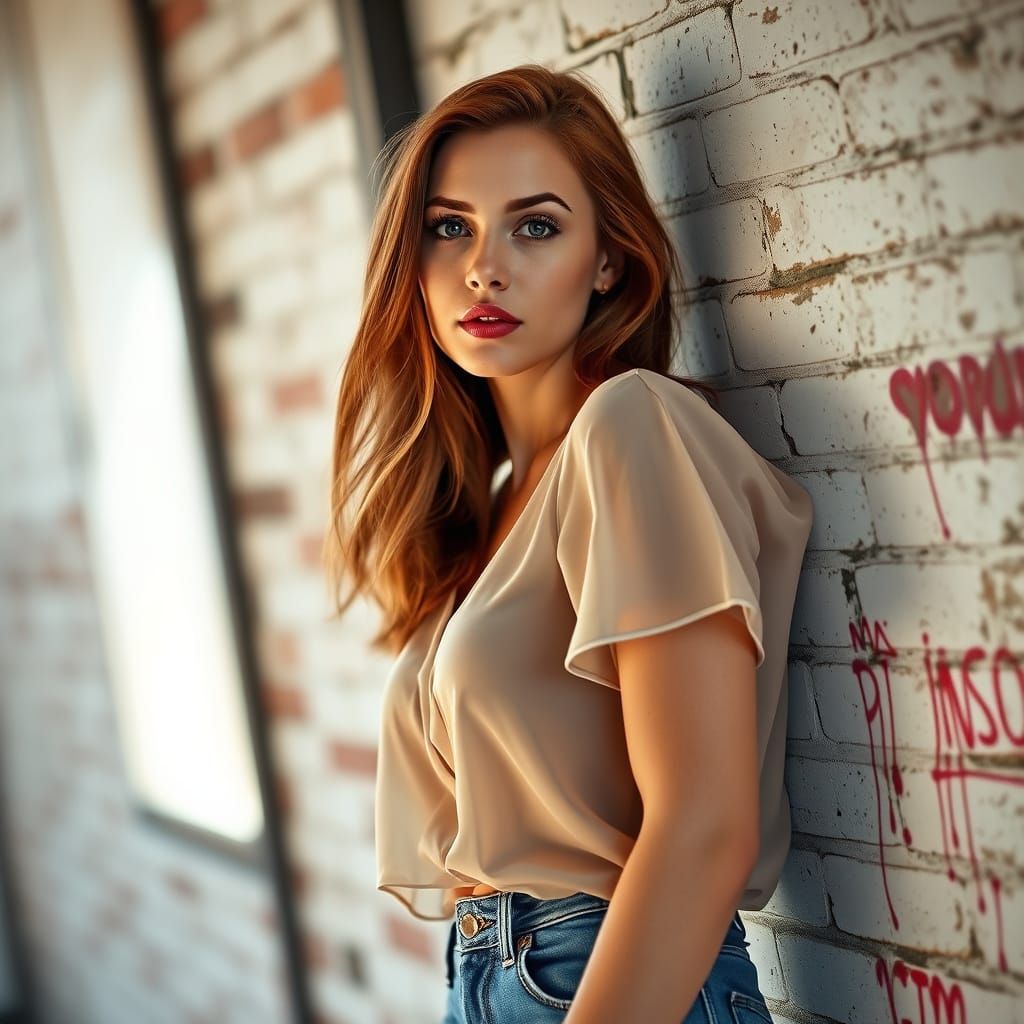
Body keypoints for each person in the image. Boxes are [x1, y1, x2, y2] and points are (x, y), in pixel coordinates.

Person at [322, 64, 813, 1024]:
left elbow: (704, 828)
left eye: (535, 226)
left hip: (613, 980)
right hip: (495, 984)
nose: (483, 267)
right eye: (449, 226)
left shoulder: (630, 427)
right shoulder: (494, 509)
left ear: (608, 260)